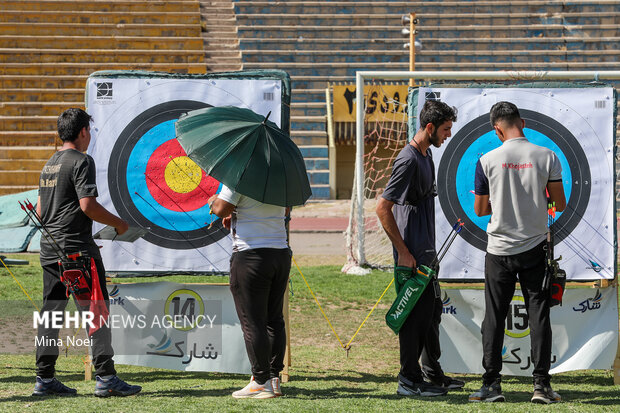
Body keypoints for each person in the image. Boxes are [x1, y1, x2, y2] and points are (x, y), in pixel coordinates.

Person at [33, 108, 141, 397]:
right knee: (96, 313)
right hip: (77, 253)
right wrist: (118, 224)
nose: (90, 136)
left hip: (50, 249)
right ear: (82, 132)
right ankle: (105, 377)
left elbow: (41, 213)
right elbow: (87, 205)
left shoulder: (49, 164)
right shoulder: (82, 161)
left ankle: (43, 379)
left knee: (51, 315)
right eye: (89, 131)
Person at [469, 101, 566, 404]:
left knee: (495, 317)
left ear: (497, 129)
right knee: (538, 314)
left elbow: (481, 209)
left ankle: (491, 385)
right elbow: (559, 204)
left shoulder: (486, 160)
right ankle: (541, 386)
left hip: (498, 250)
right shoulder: (547, 156)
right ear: (521, 122)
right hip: (535, 247)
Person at [376, 100, 463, 397]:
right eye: (446, 129)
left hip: (426, 252)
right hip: (412, 257)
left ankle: (431, 374)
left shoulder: (426, 155)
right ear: (429, 128)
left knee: (430, 313)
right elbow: (382, 208)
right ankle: (408, 380)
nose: (448, 135)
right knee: (414, 318)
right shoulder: (409, 159)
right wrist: (403, 251)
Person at [209, 186, 291, 399]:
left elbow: (219, 209)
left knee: (252, 322)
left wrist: (213, 200)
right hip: (280, 254)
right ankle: (273, 379)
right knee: (274, 319)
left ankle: (260, 381)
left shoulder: (240, 176)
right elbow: (285, 211)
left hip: (251, 256)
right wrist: (238, 214)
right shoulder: (281, 174)